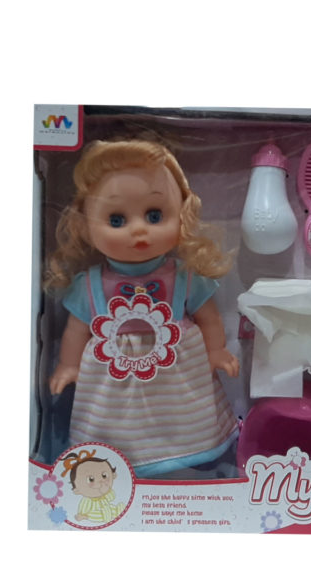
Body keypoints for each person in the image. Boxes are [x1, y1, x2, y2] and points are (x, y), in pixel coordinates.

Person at [45, 139, 239, 478]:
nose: (138, 230)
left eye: (154, 215)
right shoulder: (90, 285)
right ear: (85, 225)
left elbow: (208, 317)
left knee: (186, 420)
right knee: (114, 431)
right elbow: (77, 329)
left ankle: (190, 456)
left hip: (179, 379)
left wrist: (216, 351)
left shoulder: (184, 277)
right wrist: (69, 365)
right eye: (116, 219)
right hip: (113, 383)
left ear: (182, 215)